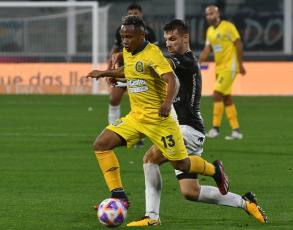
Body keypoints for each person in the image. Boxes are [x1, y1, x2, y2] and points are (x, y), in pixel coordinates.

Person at [126, 19, 267, 226]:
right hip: (182, 130)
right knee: (191, 192)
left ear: (185, 38)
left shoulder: (187, 61)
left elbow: (158, 65)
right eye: (166, 40)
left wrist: (129, 58)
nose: (169, 43)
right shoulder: (177, 62)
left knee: (150, 158)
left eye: (173, 39)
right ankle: (245, 202)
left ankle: (152, 217)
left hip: (187, 129)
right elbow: (149, 72)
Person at [87, 15, 229, 214]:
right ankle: (119, 196)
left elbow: (172, 79)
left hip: (159, 121)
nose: (124, 41)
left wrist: (167, 102)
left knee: (181, 163)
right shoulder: (129, 51)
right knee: (101, 145)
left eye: (128, 37)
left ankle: (214, 170)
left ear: (142, 35)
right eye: (122, 37)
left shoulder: (157, 55)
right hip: (136, 117)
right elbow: (132, 70)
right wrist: (106, 73)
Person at [108, 3, 157, 148]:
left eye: (135, 13)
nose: (132, 16)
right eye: (130, 14)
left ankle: (139, 137)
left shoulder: (148, 32)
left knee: (137, 104)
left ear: (141, 14)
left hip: (142, 73)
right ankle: (114, 131)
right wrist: (109, 69)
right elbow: (116, 48)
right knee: (114, 99)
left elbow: (154, 52)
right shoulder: (121, 30)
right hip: (125, 70)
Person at [198, 5, 245, 140]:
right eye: (207, 15)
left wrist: (240, 64)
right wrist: (198, 62)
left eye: (212, 13)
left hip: (229, 67)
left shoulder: (227, 26)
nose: (209, 17)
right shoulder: (210, 31)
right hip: (219, 68)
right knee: (226, 98)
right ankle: (236, 131)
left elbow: (239, 44)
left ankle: (215, 129)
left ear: (218, 14)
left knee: (216, 94)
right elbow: (207, 49)